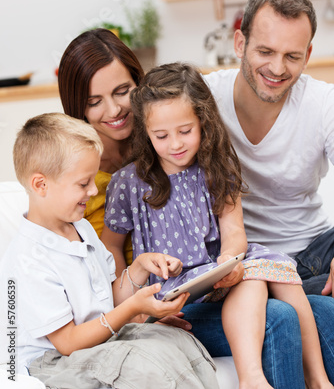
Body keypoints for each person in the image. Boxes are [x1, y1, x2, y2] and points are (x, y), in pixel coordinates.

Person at [104, 62, 333, 389]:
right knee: (262, 292)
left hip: (217, 273)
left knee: (268, 275)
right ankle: (251, 377)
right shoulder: (129, 182)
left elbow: (234, 230)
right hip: (173, 290)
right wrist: (130, 307)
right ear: (145, 132)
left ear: (203, 122)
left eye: (185, 131)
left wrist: (229, 258)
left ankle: (318, 378)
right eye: (161, 136)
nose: (176, 144)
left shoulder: (216, 166)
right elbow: (111, 245)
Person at [0, 112, 218, 389]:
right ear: (40, 185)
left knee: (177, 340)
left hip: (99, 342)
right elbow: (68, 342)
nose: (93, 191)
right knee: (144, 363)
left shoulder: (80, 229)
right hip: (53, 361)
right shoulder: (28, 259)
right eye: (83, 183)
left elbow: (107, 299)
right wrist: (132, 309)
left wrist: (139, 268)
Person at [203, 0, 334, 297]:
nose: (277, 69)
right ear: (240, 43)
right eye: (265, 52)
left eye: (292, 56)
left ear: (308, 55)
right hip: (244, 264)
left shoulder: (324, 102)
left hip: (315, 252)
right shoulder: (205, 98)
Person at [58, 28, 144, 270]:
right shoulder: (72, 174)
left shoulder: (165, 141)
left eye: (122, 91)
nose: (114, 110)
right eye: (94, 102)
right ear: (78, 108)